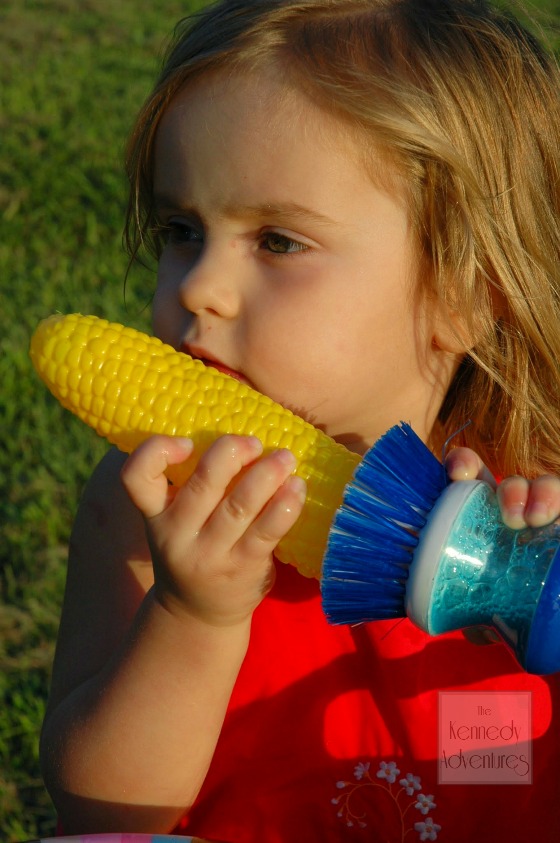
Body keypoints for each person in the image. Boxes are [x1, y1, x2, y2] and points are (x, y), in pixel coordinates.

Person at [40, 0, 560, 840]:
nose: (197, 287)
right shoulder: (147, 508)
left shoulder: (530, 499)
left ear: (464, 296)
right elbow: (98, 808)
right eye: (181, 230)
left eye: (277, 240)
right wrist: (191, 617)